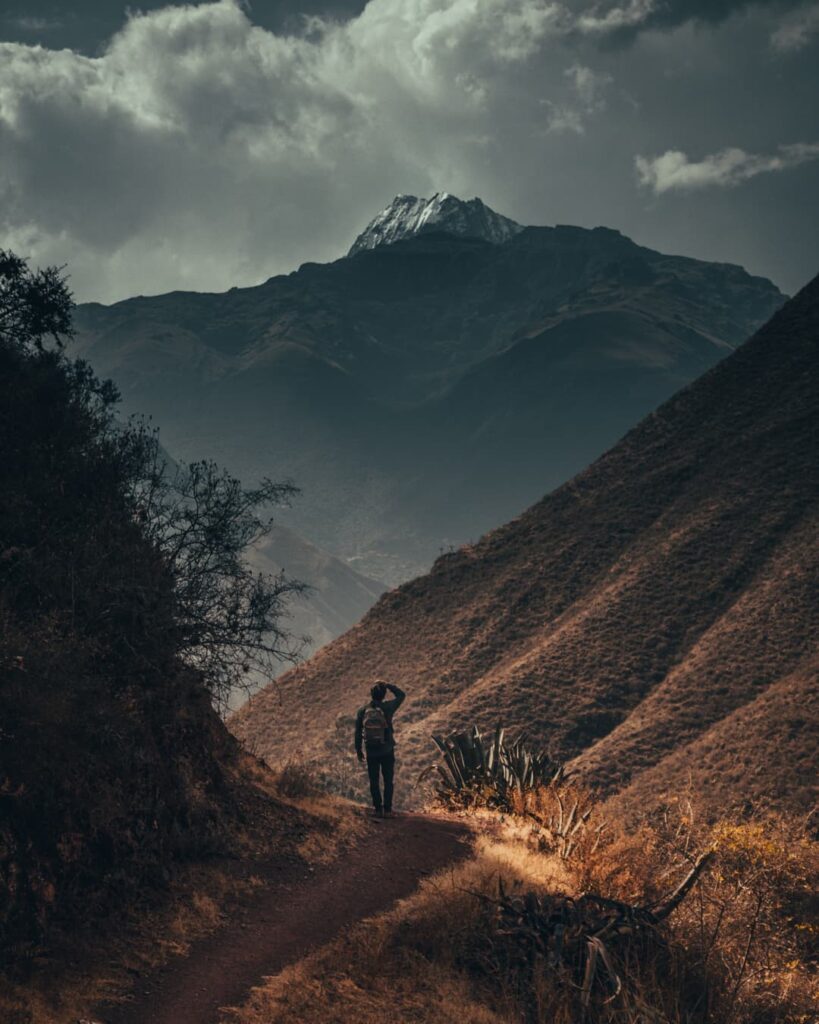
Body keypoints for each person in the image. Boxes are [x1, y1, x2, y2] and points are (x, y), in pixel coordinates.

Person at [355, 680, 406, 818]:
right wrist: (389, 685)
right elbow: (401, 695)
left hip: (371, 751)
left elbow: (358, 732)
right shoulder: (388, 707)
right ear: (383, 695)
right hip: (387, 750)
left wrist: (359, 750)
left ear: (371, 694)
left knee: (374, 780)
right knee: (388, 780)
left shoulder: (362, 711)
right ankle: (388, 810)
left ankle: (378, 809)